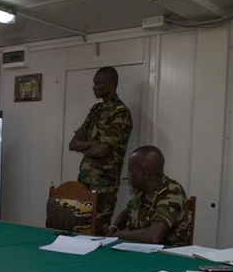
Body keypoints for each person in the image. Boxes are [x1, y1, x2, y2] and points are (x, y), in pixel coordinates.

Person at [68, 66, 132, 234]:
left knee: (97, 231)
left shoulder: (121, 113)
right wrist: (92, 144)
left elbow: (102, 151)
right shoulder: (95, 111)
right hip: (84, 180)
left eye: (98, 83)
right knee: (79, 227)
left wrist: (86, 146)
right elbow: (73, 144)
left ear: (111, 83)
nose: (94, 87)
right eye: (94, 83)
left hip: (105, 185)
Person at [108, 146, 190, 246]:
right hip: (139, 250)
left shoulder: (172, 192)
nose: (128, 174)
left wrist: (118, 235)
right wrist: (114, 227)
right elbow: (128, 211)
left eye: (130, 170)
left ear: (144, 173)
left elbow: (153, 236)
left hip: (168, 255)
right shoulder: (141, 189)